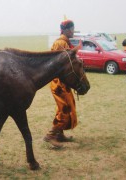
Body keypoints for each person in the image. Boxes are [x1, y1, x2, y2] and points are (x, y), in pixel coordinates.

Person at [44, 19, 77, 147]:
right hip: (59, 83)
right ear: (67, 30)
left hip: (64, 82)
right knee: (64, 108)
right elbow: (60, 66)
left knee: (63, 107)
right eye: (72, 29)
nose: (73, 31)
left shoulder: (64, 42)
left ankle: (60, 135)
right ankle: (51, 135)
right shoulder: (61, 43)